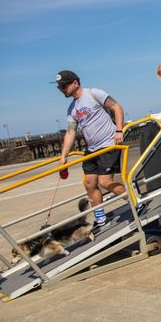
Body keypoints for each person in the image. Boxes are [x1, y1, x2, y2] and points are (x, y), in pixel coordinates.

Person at [55, 70, 125, 228]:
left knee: (105, 182)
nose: (62, 89)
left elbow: (117, 107)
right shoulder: (72, 109)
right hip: (92, 149)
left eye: (64, 86)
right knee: (89, 182)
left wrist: (119, 130)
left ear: (75, 83)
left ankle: (135, 201)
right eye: (60, 87)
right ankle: (101, 218)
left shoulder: (94, 93)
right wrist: (63, 157)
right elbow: (71, 132)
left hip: (108, 143)